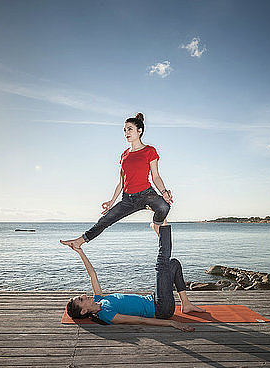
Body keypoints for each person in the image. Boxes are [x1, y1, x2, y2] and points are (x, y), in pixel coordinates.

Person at [60, 112, 173, 250]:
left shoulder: (149, 151)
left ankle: (156, 224)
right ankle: (79, 242)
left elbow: (155, 176)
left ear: (139, 130)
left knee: (164, 206)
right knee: (105, 220)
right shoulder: (124, 155)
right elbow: (121, 182)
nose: (126, 132)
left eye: (130, 129)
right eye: (125, 130)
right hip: (127, 199)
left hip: (146, 194)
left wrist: (164, 191)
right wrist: (111, 201)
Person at [63, 223, 204, 332]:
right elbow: (140, 320)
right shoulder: (107, 315)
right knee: (162, 263)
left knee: (173, 264)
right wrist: (172, 323)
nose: (83, 295)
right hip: (161, 308)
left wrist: (79, 252)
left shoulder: (100, 300)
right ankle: (162, 226)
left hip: (154, 298)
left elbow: (92, 274)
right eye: (81, 299)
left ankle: (185, 304)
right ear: (83, 311)